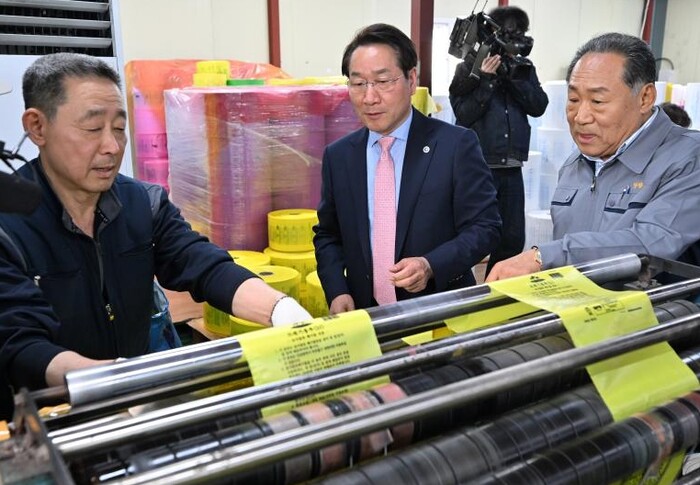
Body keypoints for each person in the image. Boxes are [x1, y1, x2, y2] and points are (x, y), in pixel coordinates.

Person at [0, 53, 311, 419]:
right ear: (37, 127)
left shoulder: (141, 204)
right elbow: (19, 344)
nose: (112, 146)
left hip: (131, 411)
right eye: (93, 128)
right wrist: (107, 381)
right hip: (50, 421)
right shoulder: (9, 225)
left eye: (119, 128)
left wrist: (282, 310)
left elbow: (202, 265)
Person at [313, 23, 501, 314]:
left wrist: (430, 265)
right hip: (365, 312)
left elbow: (485, 227)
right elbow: (328, 234)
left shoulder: (454, 146)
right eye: (358, 83)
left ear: (411, 80)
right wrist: (337, 290)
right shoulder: (339, 156)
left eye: (383, 81)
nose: (369, 97)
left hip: (438, 313)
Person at [486, 32, 700, 282]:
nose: (580, 117)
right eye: (574, 99)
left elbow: (651, 243)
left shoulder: (688, 158)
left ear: (645, 98)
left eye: (598, 101)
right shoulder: (574, 165)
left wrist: (545, 256)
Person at [449, 6, 548, 276]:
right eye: (514, 33)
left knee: (512, 238)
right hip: (478, 166)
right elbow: (464, 114)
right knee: (471, 233)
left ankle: (497, 288)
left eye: (522, 33)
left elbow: (539, 106)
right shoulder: (469, 66)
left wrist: (513, 77)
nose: (520, 39)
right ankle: (460, 287)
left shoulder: (523, 68)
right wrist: (486, 80)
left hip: (511, 166)